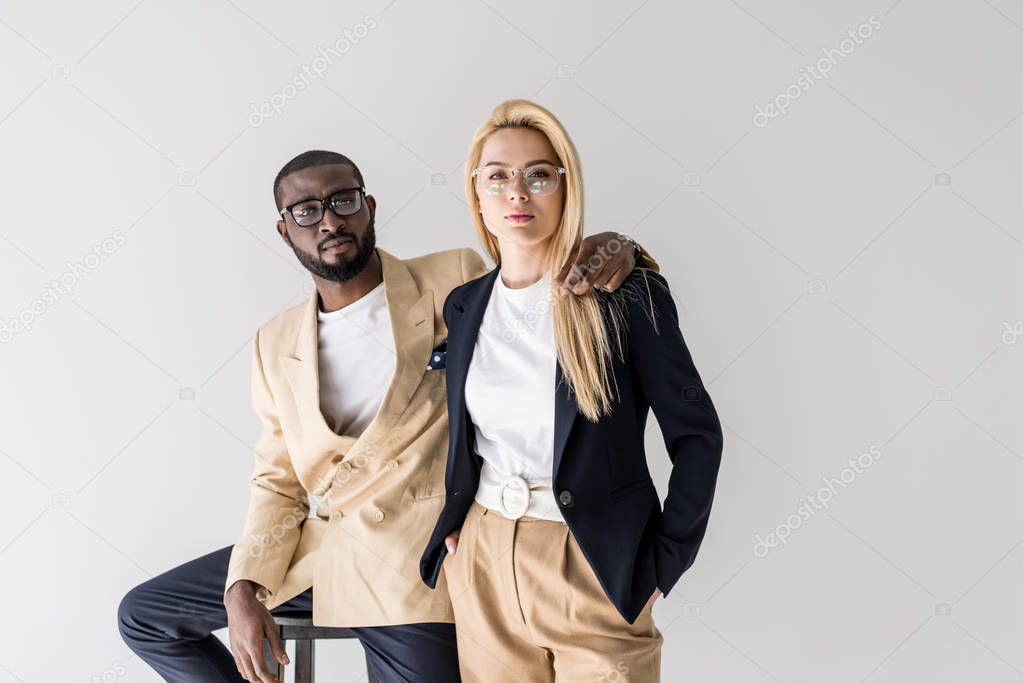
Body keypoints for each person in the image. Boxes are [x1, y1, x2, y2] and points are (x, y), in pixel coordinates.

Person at [117, 149, 654, 683]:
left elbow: (541, 289)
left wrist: (619, 246)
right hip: (323, 549)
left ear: (368, 206)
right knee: (145, 617)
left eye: (342, 201)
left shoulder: (453, 276)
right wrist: (244, 587)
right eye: (306, 211)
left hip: (416, 562)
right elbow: (278, 483)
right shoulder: (274, 343)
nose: (329, 220)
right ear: (285, 232)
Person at [419, 100, 723, 682]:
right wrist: (462, 529)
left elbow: (697, 436)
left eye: (538, 174)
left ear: (566, 186)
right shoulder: (465, 306)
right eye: (498, 176)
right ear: (477, 192)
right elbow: (469, 437)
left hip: (593, 564)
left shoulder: (625, 296)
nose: (518, 193)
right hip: (484, 561)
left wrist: (664, 564)